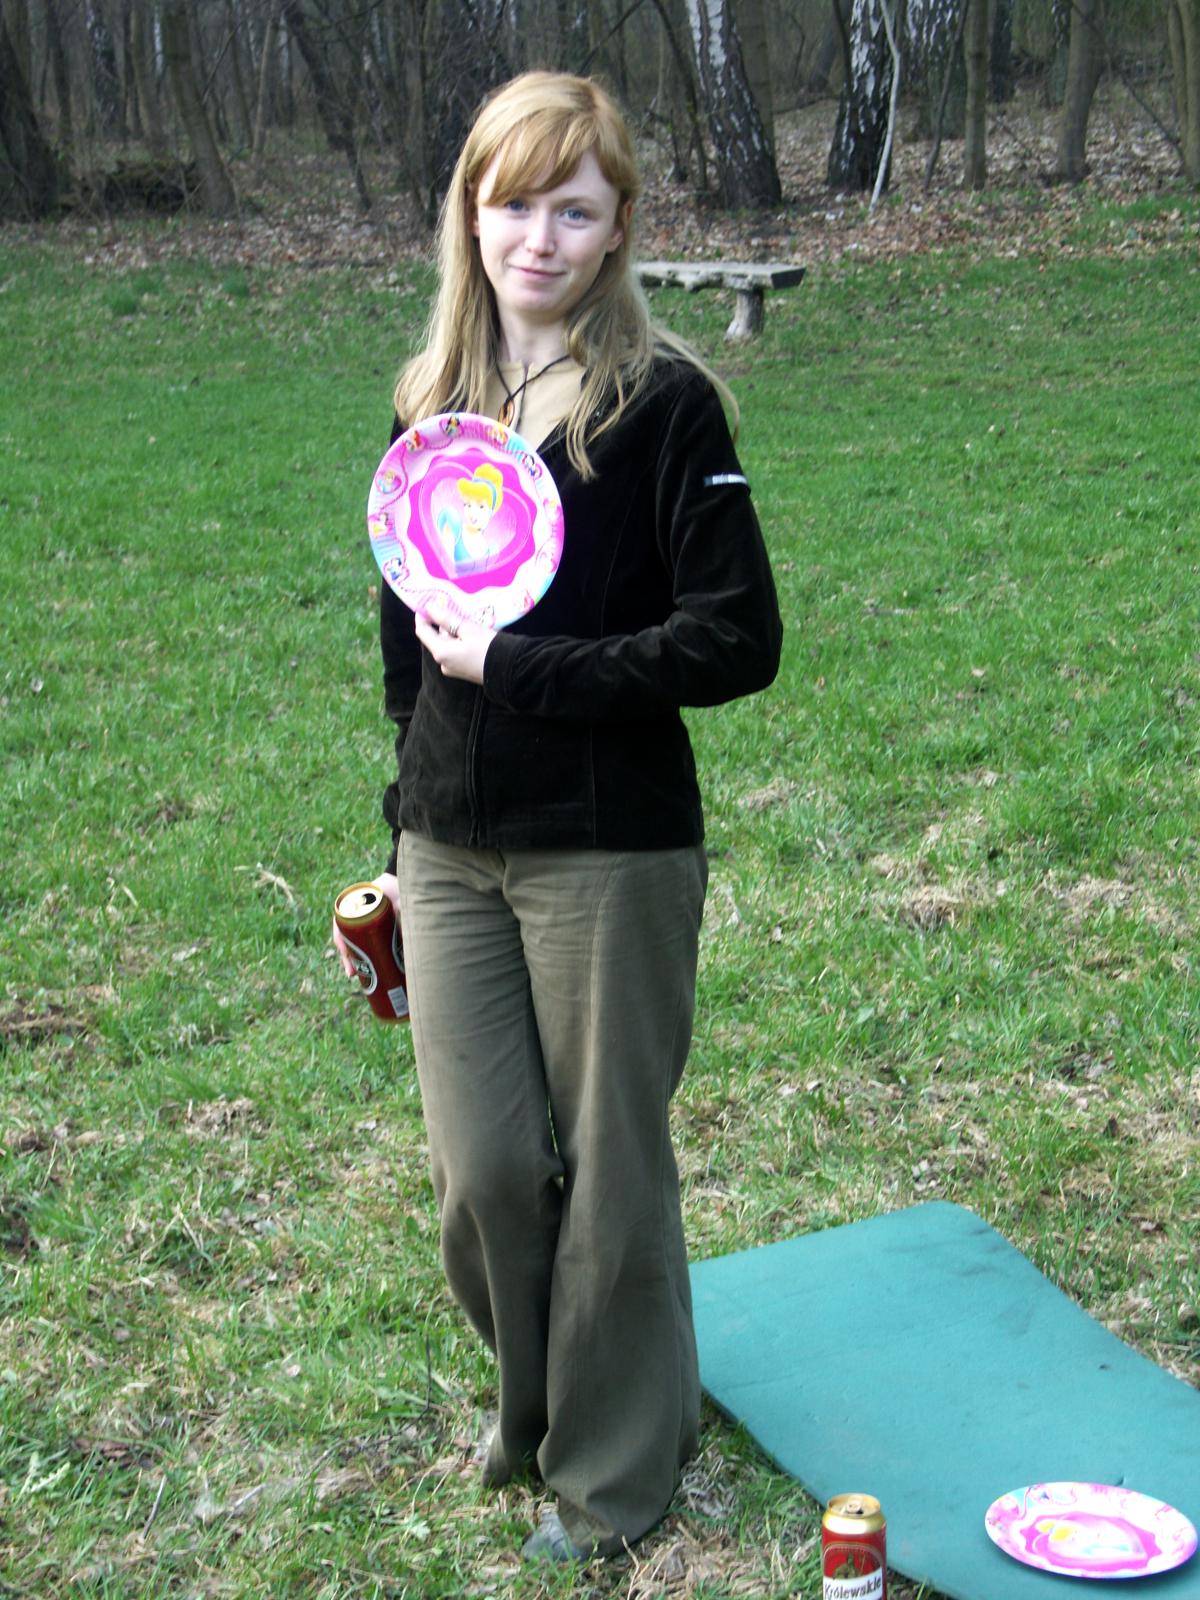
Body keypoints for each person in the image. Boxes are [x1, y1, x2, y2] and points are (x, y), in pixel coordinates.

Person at [334, 70, 782, 1564]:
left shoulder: (666, 407)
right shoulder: (430, 404)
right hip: (449, 849)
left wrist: (528, 669)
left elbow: (738, 638)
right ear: (470, 213)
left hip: (611, 846)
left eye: (574, 210)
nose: (540, 237)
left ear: (618, 229)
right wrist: (400, 834)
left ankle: (609, 1476)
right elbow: (410, 651)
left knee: (609, 1173)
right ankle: (536, 1410)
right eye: (514, 202)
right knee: (482, 1174)